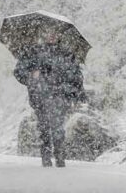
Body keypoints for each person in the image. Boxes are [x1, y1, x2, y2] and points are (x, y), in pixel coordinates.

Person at [14, 30, 85, 167]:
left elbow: (76, 75)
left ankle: (59, 155)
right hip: (39, 96)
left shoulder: (66, 53)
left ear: (60, 35)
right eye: (48, 32)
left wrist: (66, 82)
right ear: (43, 34)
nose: (52, 35)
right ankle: (46, 156)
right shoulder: (32, 52)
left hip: (59, 96)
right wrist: (31, 75)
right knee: (44, 126)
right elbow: (18, 71)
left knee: (57, 126)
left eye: (55, 33)